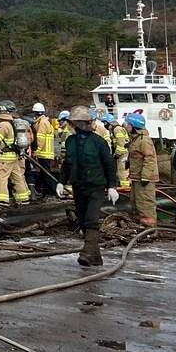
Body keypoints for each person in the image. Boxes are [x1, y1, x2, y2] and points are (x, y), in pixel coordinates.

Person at [57, 105, 118, 266]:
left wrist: (112, 185)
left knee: (91, 219)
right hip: (78, 186)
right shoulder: (70, 141)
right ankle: (95, 257)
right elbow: (67, 164)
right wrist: (61, 181)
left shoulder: (98, 142)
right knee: (83, 219)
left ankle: (86, 252)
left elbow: (109, 164)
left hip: (96, 186)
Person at [0, 104, 30, 212]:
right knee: (17, 177)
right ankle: (23, 199)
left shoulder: (3, 125)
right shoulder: (12, 124)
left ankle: (2, 201)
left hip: (4, 158)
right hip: (13, 157)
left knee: (1, 178)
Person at [125, 113, 159, 226]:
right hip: (136, 177)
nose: (126, 126)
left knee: (145, 203)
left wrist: (145, 177)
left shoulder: (144, 140)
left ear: (134, 126)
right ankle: (139, 225)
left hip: (143, 178)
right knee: (136, 202)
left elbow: (149, 159)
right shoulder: (136, 139)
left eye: (128, 124)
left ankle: (149, 228)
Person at [30, 102, 59, 196]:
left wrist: (37, 151)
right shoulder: (46, 121)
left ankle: (53, 190)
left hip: (43, 152)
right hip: (47, 152)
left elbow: (40, 139)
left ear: (36, 113)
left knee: (46, 173)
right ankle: (41, 189)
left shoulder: (42, 123)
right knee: (43, 172)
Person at [112, 116, 131, 186]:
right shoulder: (120, 128)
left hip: (122, 154)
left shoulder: (117, 129)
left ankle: (125, 187)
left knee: (122, 171)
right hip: (125, 153)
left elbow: (121, 143)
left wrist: (117, 154)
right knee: (124, 171)